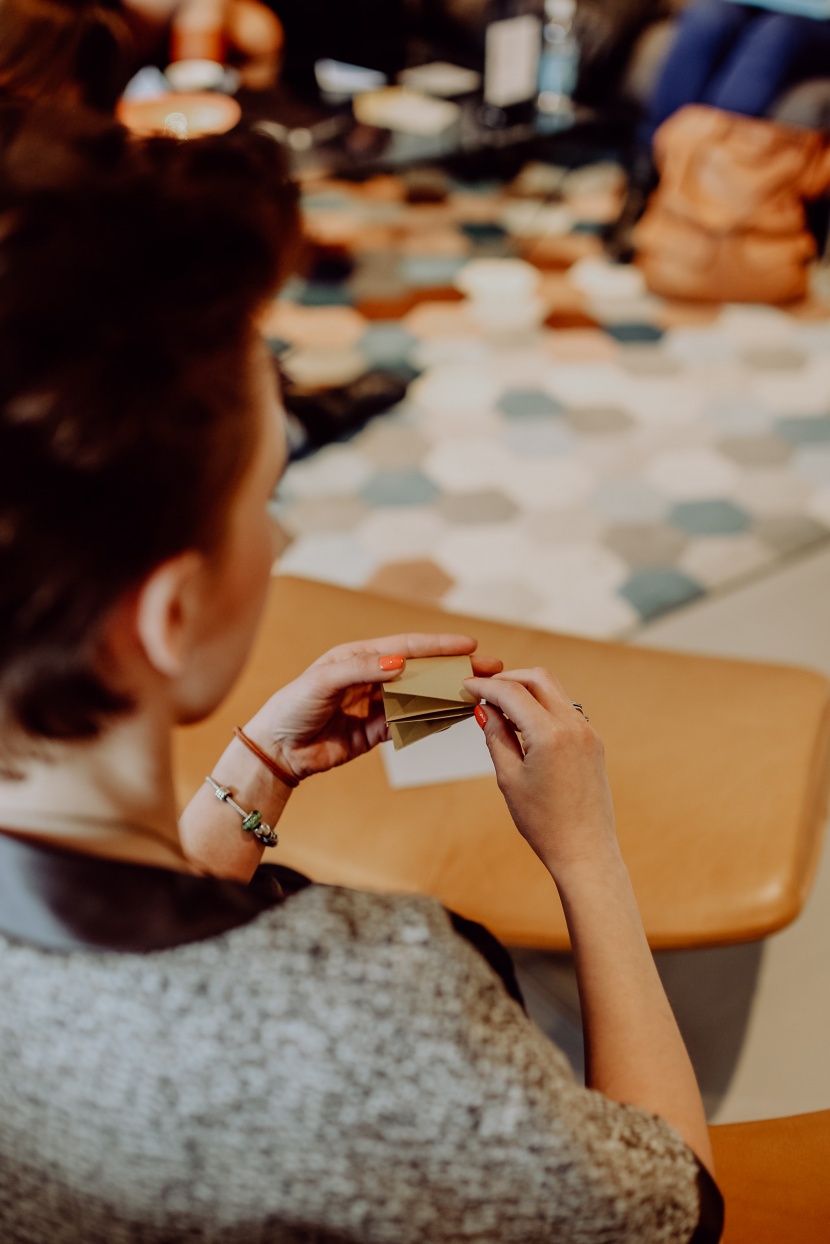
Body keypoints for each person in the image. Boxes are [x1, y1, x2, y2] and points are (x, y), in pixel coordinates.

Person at [0, 108, 723, 1242]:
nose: (279, 544)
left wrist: (256, 772)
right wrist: (586, 856)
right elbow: (670, 1201)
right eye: (263, 493)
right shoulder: (371, 1011)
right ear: (172, 612)